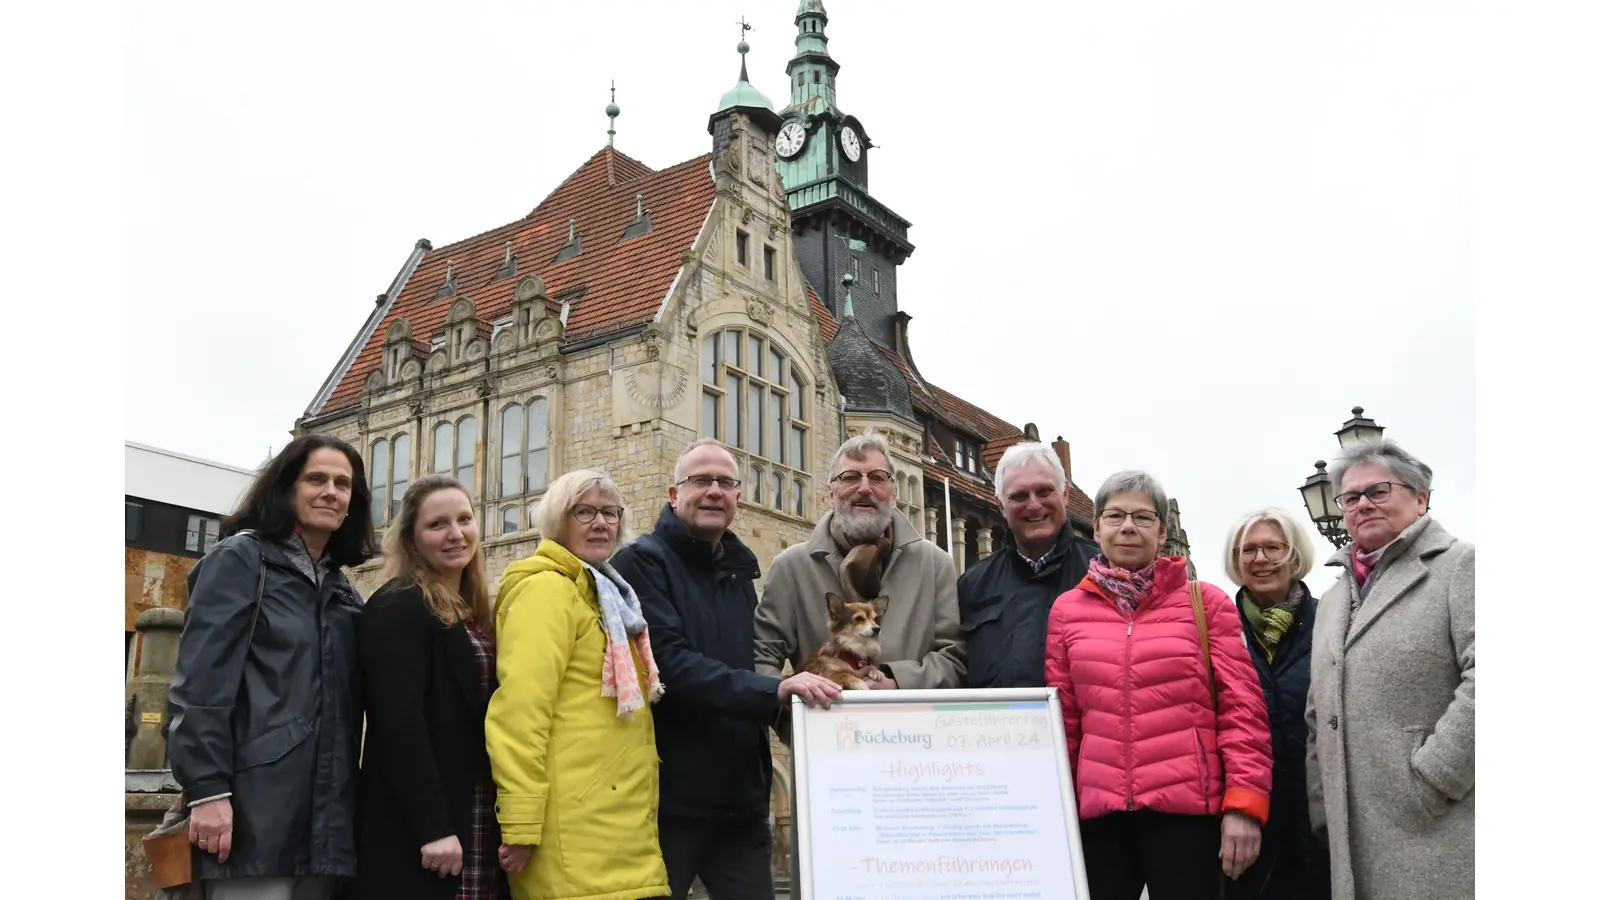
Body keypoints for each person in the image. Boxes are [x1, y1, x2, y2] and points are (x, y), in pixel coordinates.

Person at [611, 439, 843, 900]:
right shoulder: (640, 563)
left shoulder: (738, 573)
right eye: (701, 480)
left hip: (740, 799)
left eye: (725, 482)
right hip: (669, 799)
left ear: (738, 497)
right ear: (674, 495)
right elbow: (669, 664)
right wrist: (774, 691)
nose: (714, 490)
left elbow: (749, 659)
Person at [1043, 470, 1273, 900]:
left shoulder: (1206, 604)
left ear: (1163, 532)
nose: (1128, 526)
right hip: (1099, 819)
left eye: (1143, 517)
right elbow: (1066, 723)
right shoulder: (1067, 611)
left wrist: (1244, 806)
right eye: (1115, 516)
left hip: (1187, 817)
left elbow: (1243, 711)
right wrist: (1056, 808)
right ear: (1096, 528)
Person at [167, 434, 377, 900]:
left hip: (328, 826)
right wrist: (207, 791)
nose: (331, 491)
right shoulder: (242, 561)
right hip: (252, 817)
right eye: (316, 479)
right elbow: (199, 687)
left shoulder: (343, 591)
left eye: (343, 484)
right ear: (286, 488)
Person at [486, 469, 671, 900]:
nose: (601, 522)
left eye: (610, 512)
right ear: (556, 521)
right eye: (583, 511)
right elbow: (520, 713)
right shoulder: (547, 591)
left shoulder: (608, 594)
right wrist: (521, 823)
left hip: (617, 830)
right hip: (573, 833)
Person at [1305, 440, 1473, 900]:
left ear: (1421, 497)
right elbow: (1318, 710)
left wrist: (1433, 779)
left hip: (1435, 825)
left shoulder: (1461, 565)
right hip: (1349, 832)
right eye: (1350, 497)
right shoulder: (1334, 597)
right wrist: (1322, 803)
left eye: (1378, 491)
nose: (1362, 504)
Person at [354, 474, 509, 900]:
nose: (456, 534)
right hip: (428, 823)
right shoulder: (397, 604)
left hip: (479, 805)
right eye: (438, 524)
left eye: (465, 519)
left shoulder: (475, 610)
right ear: (411, 538)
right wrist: (433, 827)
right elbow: (399, 727)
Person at [754, 431, 965, 692]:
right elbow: (760, 658)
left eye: (878, 477)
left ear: (893, 493)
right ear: (830, 494)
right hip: (825, 726)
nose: (864, 488)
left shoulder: (935, 565)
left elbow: (955, 657)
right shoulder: (791, 567)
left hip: (912, 729)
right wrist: (793, 706)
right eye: (850, 477)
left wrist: (897, 682)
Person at [1221, 509, 1331, 900]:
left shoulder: (1331, 620)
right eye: (1248, 550)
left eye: (1272, 547)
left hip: (1322, 816)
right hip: (1250, 819)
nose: (1260, 559)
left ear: (1294, 555)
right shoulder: (1220, 628)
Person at [958, 442, 1096, 688]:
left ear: (1065, 495)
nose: (1033, 505)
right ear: (1000, 505)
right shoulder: (972, 584)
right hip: (999, 725)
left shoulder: (1102, 572)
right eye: (1019, 496)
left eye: (1044, 492)